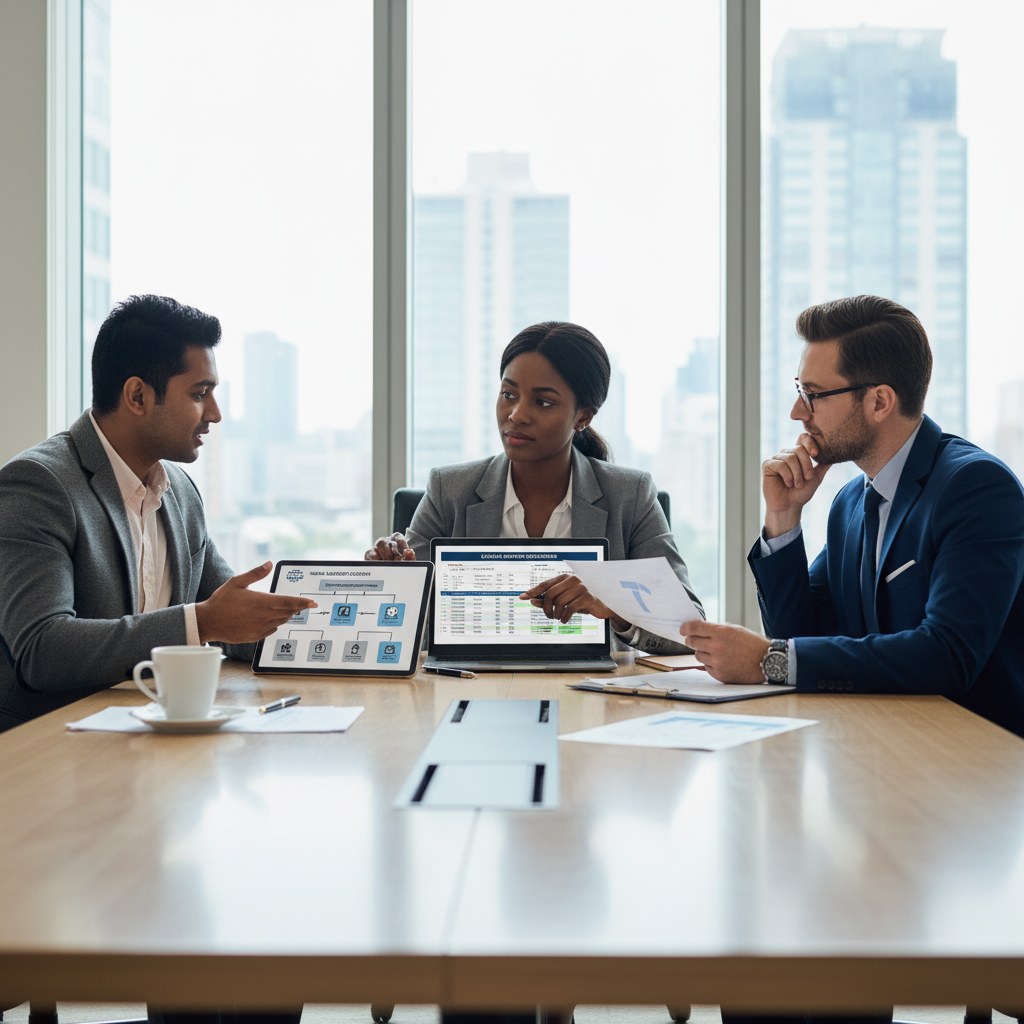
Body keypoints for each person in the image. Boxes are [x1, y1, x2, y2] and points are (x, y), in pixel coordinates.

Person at [681, 293, 1024, 738]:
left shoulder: (975, 488)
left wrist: (768, 660)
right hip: (883, 744)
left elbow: (947, 656)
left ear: (880, 402)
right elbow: (802, 634)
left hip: (975, 759)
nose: (797, 412)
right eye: (799, 390)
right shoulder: (849, 504)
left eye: (815, 395)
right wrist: (783, 518)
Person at [0, 294, 317, 732]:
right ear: (137, 395)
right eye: (200, 394)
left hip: (157, 741)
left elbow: (232, 616)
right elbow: (42, 649)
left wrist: (352, 620)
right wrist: (203, 621)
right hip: (51, 749)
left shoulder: (180, 492)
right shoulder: (39, 485)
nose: (216, 414)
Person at [366, 320, 703, 652]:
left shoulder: (630, 496)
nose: (516, 414)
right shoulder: (448, 489)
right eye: (508, 394)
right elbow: (407, 625)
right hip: (471, 683)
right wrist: (390, 584)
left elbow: (690, 632)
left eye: (542, 402)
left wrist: (613, 609)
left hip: (596, 698)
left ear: (583, 416)